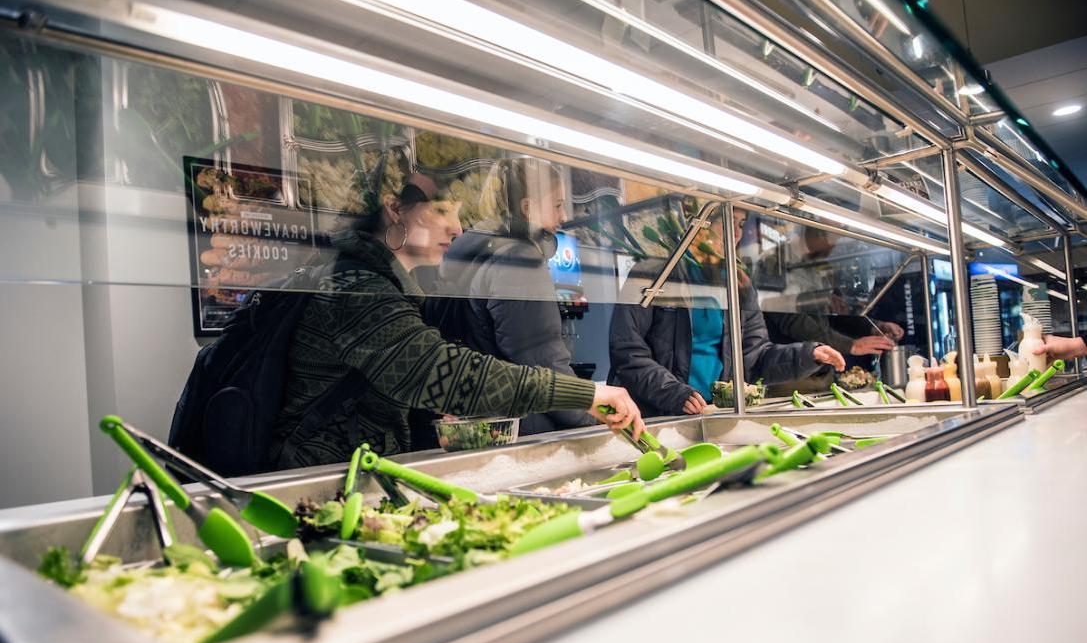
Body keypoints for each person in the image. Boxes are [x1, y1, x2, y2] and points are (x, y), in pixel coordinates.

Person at [268, 164, 643, 469]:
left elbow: (405, 376)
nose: (458, 228)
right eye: (441, 211)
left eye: (459, 214)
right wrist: (585, 393)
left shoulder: (392, 284)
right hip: (318, 473)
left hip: (362, 467)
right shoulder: (355, 288)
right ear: (394, 209)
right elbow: (439, 372)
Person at [609, 206, 846, 417]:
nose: (736, 233)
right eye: (727, 221)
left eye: (741, 224)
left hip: (714, 412)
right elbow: (627, 351)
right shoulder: (652, 274)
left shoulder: (737, 284)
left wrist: (808, 355)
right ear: (698, 223)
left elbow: (756, 358)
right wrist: (672, 393)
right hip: (656, 415)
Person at [427, 157, 594, 435]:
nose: (564, 216)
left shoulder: (480, 250)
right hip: (519, 424)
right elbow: (542, 363)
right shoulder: (519, 260)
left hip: (481, 423)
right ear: (528, 208)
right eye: (557, 205)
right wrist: (590, 417)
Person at [761, 227, 903, 360]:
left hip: (819, 369)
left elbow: (833, 317)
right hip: (788, 366)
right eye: (835, 239)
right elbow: (793, 321)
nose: (836, 246)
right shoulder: (776, 261)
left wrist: (873, 327)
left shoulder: (815, 266)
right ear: (819, 235)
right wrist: (851, 345)